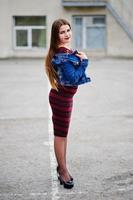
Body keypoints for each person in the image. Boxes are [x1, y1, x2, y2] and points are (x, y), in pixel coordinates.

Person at [45, 19, 91, 189]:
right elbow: (73, 79)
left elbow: (73, 77)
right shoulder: (62, 55)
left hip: (65, 98)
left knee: (63, 135)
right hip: (61, 99)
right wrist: (84, 61)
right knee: (60, 135)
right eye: (62, 32)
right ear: (56, 35)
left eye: (68, 30)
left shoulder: (66, 51)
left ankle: (62, 166)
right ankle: (63, 171)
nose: (67, 34)